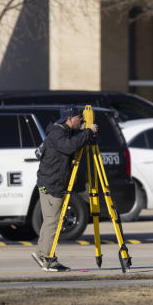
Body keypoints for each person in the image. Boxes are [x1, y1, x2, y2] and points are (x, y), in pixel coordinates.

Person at [31, 105, 98, 272]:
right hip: (53, 184)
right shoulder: (58, 134)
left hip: (47, 181)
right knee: (54, 221)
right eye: (78, 119)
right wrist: (88, 132)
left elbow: (73, 141)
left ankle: (41, 253)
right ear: (69, 119)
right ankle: (49, 260)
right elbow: (70, 147)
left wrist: (85, 132)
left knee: (49, 220)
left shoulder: (59, 130)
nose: (81, 121)